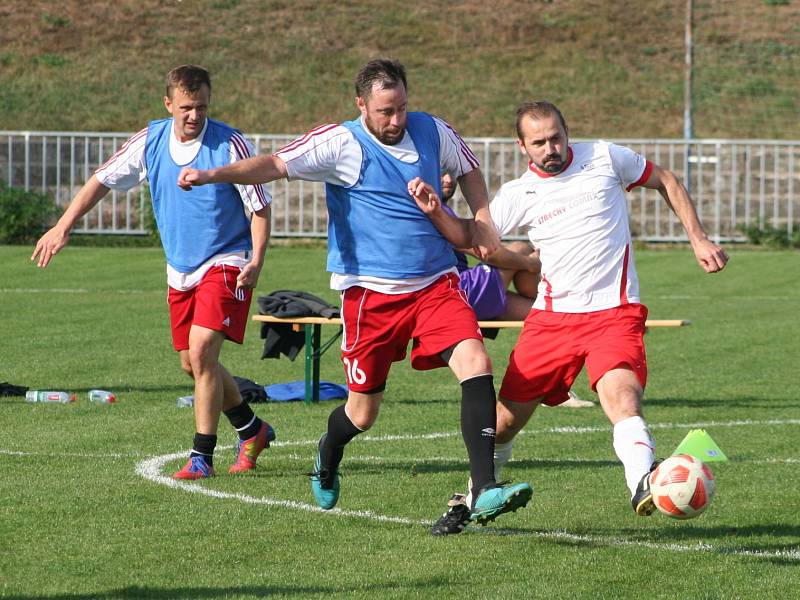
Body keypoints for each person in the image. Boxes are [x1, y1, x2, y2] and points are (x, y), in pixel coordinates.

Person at [177, 58, 532, 525]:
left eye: (402, 107)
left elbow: (468, 168)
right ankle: (327, 453)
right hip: (371, 298)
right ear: (361, 104)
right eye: (385, 111)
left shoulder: (431, 129)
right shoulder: (339, 142)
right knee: (362, 414)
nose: (396, 120)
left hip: (436, 284)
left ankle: (484, 487)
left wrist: (482, 220)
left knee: (477, 362)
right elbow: (275, 163)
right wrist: (213, 175)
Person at [409, 100, 729, 535]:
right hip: (552, 321)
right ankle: (472, 498)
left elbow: (666, 180)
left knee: (622, 397)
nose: (551, 148)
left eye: (556, 137)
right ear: (522, 146)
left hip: (614, 312)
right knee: (501, 424)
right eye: (539, 142)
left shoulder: (605, 156)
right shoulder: (520, 194)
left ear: (567, 132)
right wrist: (436, 213)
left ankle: (642, 482)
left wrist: (699, 239)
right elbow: (473, 239)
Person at [31, 65, 275, 480]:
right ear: (168, 104)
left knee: (201, 354)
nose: (194, 115)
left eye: (200, 106)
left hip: (227, 260)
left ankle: (202, 456)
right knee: (192, 364)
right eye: (185, 107)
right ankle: (252, 429)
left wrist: (255, 260)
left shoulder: (230, 144)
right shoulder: (151, 140)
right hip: (180, 268)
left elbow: (260, 207)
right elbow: (101, 180)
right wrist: (63, 224)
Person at [443, 172, 596, 409]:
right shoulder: (432, 211)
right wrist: (532, 263)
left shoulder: (442, 209)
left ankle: (553, 389)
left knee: (548, 316)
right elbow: (486, 251)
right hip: (455, 292)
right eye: (441, 171)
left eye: (451, 173)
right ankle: (560, 297)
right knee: (520, 250)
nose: (447, 179)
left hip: (463, 289)